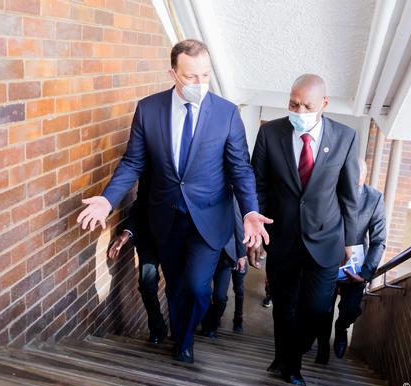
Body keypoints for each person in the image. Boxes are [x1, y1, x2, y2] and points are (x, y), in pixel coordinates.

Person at [77, 39, 272, 364]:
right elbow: (133, 163)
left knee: (198, 288)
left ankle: (183, 338)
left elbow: (240, 169)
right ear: (173, 73)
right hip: (165, 219)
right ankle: (179, 336)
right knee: (175, 284)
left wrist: (251, 209)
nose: (200, 84)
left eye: (205, 76)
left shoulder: (226, 114)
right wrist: (108, 200)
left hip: (209, 220)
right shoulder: (149, 109)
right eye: (191, 76)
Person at [248, 74, 362, 386]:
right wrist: (256, 231)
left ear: (324, 104)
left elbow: (349, 195)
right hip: (283, 236)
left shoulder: (345, 137)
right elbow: (258, 186)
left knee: (315, 309)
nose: (298, 111)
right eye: (293, 104)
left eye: (306, 105)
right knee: (284, 307)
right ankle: (290, 365)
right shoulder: (270, 133)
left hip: (326, 239)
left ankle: (288, 355)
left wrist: (351, 241)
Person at [314, 159, 386, 364]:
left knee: (351, 309)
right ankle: (322, 351)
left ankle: (342, 327)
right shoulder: (329, 191)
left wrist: (365, 274)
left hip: (355, 268)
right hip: (326, 260)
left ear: (364, 178)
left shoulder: (374, 199)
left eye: (357, 182)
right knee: (322, 309)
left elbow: (379, 240)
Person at [107, 172, 168, 345]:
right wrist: (127, 233)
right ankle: (157, 328)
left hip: (174, 240)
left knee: (177, 287)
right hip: (148, 238)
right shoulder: (150, 169)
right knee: (147, 284)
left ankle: (180, 334)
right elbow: (139, 205)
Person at [200, 200, 247, 337]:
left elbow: (238, 225)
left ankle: (213, 324)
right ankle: (207, 323)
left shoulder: (230, 197)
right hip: (204, 253)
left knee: (220, 297)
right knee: (201, 292)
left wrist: (241, 254)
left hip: (225, 255)